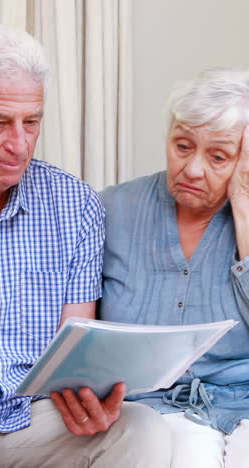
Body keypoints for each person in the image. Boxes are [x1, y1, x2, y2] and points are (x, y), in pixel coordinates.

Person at [0, 24, 171, 468]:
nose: (19, 145)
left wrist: (89, 394)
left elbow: (75, 351)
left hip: (21, 416)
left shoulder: (75, 206)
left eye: (31, 123)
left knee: (141, 430)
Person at [99, 67, 249, 468]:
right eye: (182, 146)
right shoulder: (113, 208)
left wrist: (245, 208)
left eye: (218, 156)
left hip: (243, 403)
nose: (194, 168)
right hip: (149, 409)